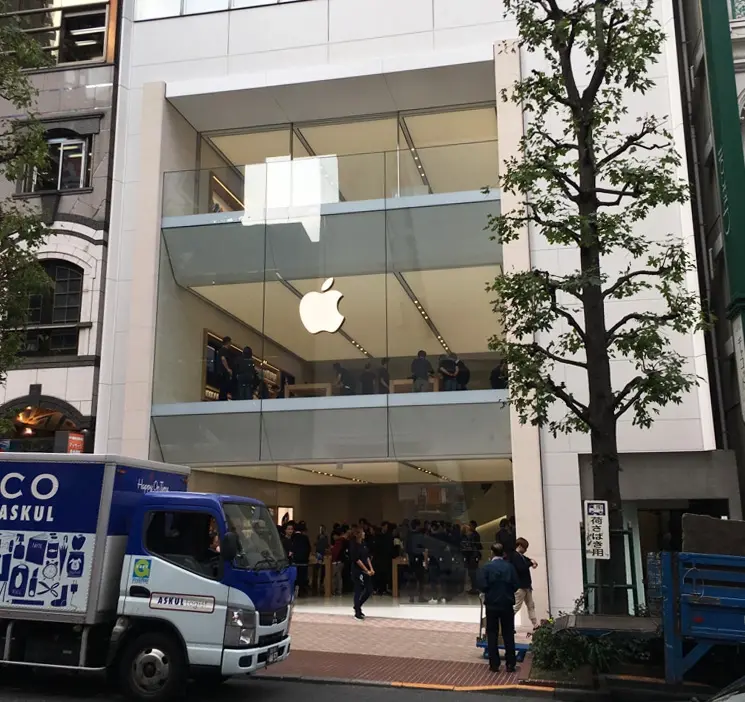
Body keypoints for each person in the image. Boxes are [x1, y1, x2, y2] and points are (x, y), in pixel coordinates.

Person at [478, 542, 519, 673]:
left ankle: (494, 664)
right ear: (503, 554)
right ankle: (510, 664)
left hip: (492, 604)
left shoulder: (487, 567)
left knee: (492, 633)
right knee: (508, 633)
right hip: (507, 603)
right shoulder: (510, 567)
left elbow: (483, 586)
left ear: (492, 553)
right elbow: (516, 585)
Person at [510, 537, 538, 628]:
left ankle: (535, 624)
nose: (526, 550)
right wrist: (530, 563)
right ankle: (507, 624)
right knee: (516, 607)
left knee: (531, 605)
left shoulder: (521, 556)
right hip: (521, 586)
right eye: (525, 548)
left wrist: (531, 561)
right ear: (520, 546)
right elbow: (521, 568)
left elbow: (527, 560)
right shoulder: (515, 556)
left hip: (526, 586)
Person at [349, 527, 374, 620]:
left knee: (369, 590)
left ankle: (358, 605)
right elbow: (357, 560)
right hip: (357, 570)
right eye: (362, 532)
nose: (364, 534)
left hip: (366, 569)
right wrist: (365, 570)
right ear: (358, 534)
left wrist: (370, 568)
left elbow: (367, 557)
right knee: (358, 590)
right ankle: (357, 612)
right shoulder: (353, 545)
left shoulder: (364, 544)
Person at [216, 336, 235, 400]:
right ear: (228, 343)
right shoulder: (223, 350)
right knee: (224, 389)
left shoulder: (221, 351)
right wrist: (228, 369)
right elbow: (223, 359)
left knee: (223, 390)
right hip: (224, 374)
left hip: (222, 374)